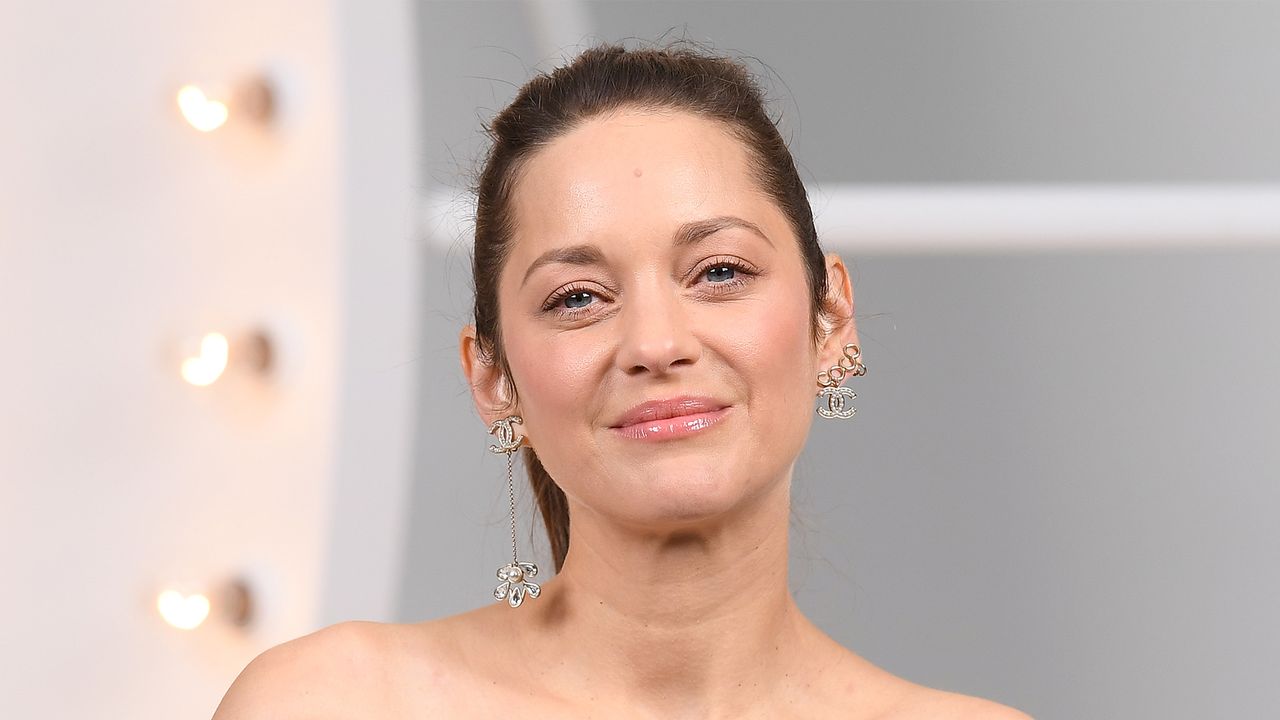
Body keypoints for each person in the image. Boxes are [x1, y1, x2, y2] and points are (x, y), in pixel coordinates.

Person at [213, 42, 1033, 719]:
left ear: (832, 322)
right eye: (577, 298)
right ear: (493, 376)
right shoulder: (335, 702)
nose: (656, 343)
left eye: (718, 271)